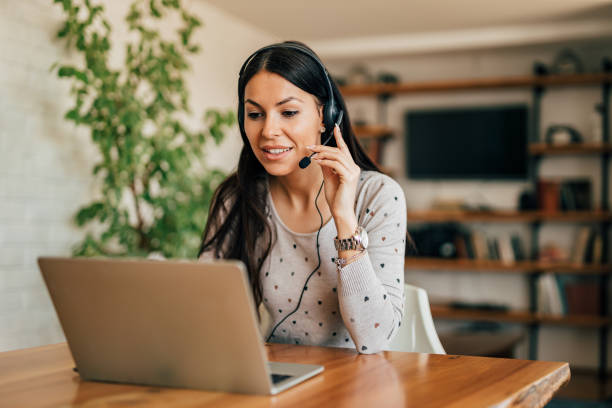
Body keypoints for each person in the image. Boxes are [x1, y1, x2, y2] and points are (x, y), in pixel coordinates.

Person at [198, 41, 407, 354]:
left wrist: (344, 220)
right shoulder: (239, 197)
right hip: (278, 378)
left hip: (361, 383)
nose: (268, 130)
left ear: (325, 115)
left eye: (289, 112)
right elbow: (203, 309)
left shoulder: (377, 195)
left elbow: (373, 339)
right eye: (255, 114)